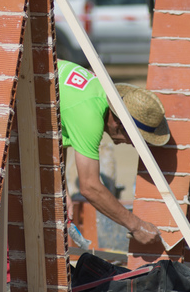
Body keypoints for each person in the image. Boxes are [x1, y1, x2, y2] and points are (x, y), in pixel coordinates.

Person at [58, 59, 171, 245]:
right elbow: (90, 187)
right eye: (134, 139)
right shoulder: (90, 118)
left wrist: (61, 189)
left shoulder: (99, 92)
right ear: (118, 123)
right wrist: (136, 225)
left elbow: (58, 129)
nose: (131, 145)